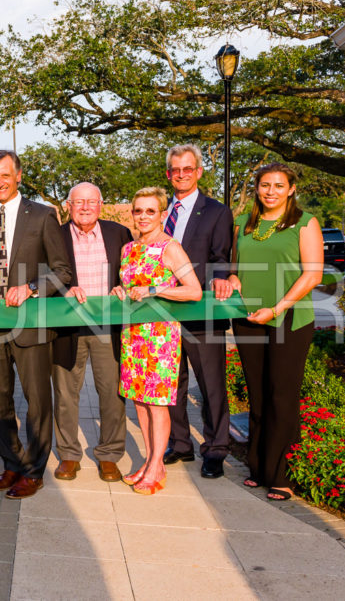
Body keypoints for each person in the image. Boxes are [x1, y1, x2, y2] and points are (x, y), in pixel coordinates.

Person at [0, 150, 72, 500]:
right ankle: (11, 463)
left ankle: (34, 470)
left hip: (30, 325)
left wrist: (29, 289)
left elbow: (63, 273)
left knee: (37, 400)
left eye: (5, 175)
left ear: (19, 176)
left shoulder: (43, 216)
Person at [224, 164, 323, 501]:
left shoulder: (305, 223)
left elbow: (312, 275)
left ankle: (280, 474)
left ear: (291, 189)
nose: (270, 192)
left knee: (281, 394)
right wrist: (234, 279)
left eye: (279, 186)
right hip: (247, 318)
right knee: (258, 393)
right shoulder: (243, 223)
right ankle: (258, 466)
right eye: (265, 185)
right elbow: (233, 267)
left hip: (289, 318)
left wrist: (277, 308)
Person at [111, 187, 202, 495]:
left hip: (160, 335)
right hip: (132, 334)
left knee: (157, 403)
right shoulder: (128, 249)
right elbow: (128, 285)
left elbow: (194, 290)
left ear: (163, 215)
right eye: (139, 211)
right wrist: (119, 291)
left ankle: (156, 467)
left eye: (151, 211)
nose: (144, 216)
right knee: (139, 401)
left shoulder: (170, 248)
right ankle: (151, 461)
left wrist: (155, 290)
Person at [161, 144, 234, 479]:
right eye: (175, 170)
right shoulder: (160, 211)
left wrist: (221, 280)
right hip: (164, 310)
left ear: (199, 172)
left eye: (187, 169)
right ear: (168, 174)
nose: (181, 175)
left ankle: (216, 448)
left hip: (202, 310)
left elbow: (221, 256)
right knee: (173, 382)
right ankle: (180, 443)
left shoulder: (217, 211)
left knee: (211, 384)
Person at [52, 182, 132, 483]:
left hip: (106, 328)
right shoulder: (56, 235)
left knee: (112, 393)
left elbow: (130, 270)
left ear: (101, 205)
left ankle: (110, 456)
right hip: (66, 327)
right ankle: (69, 456)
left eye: (91, 201)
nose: (85, 207)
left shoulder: (118, 233)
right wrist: (63, 289)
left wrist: (125, 285)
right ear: (68, 206)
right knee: (64, 394)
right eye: (78, 202)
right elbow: (44, 273)